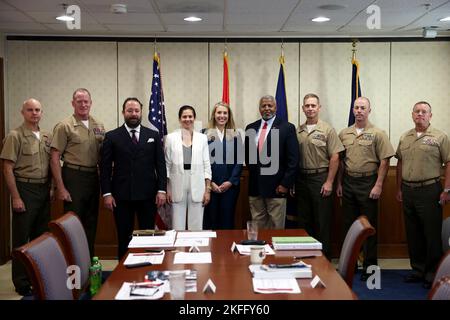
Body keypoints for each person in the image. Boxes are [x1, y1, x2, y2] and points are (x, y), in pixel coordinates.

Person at [100, 97, 167, 260]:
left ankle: (148, 266)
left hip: (148, 196)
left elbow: (161, 165)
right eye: (130, 111)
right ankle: (123, 273)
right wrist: (107, 193)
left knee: (147, 237)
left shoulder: (153, 135)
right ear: (123, 112)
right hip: (121, 197)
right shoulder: (112, 136)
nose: (133, 114)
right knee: (124, 237)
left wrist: (161, 190)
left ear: (141, 112)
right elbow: (105, 168)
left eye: (136, 110)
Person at [336, 96, 395, 281]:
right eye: (356, 107)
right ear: (353, 110)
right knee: (348, 226)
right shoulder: (344, 133)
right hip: (348, 182)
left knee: (369, 227)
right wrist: (338, 183)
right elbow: (341, 162)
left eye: (363, 108)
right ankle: (350, 264)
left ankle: (370, 266)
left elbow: (385, 160)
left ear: (369, 110)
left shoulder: (378, 133)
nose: (359, 111)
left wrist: (378, 185)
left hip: (368, 183)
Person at [395, 101, 450, 289]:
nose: (420, 114)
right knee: (413, 233)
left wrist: (447, 190)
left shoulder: (440, 137)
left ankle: (431, 273)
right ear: (412, 115)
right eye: (417, 111)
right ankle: (417, 270)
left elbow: (449, 163)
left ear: (430, 115)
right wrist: (399, 188)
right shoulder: (405, 137)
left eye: (424, 112)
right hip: (408, 190)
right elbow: (400, 163)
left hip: (430, 190)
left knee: (431, 234)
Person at [0, 99, 52, 296]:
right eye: (30, 110)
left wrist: (52, 187)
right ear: (23, 112)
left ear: (41, 112)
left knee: (41, 237)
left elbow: (52, 164)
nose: (34, 113)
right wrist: (15, 197)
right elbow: (7, 168)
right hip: (24, 189)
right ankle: (21, 282)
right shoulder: (15, 136)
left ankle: (37, 276)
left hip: (43, 190)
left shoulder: (47, 136)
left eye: (37, 109)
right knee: (22, 238)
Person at [50, 88, 105, 256]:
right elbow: (54, 156)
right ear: (72, 103)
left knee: (91, 222)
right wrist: (60, 187)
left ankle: (88, 265)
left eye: (86, 101)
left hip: (92, 177)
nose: (83, 104)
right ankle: (72, 266)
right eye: (79, 101)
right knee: (73, 224)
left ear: (91, 103)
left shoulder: (98, 125)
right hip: (73, 176)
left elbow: (104, 154)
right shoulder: (64, 126)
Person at [295, 94, 344, 259]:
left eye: (313, 105)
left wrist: (330, 182)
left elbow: (335, 156)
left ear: (319, 108)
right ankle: (306, 257)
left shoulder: (327, 130)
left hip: (320, 178)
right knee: (304, 221)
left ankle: (324, 260)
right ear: (303, 109)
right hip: (301, 179)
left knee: (322, 222)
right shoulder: (298, 131)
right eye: (307, 106)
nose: (310, 108)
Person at [245, 95, 299, 229]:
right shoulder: (250, 128)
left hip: (277, 188)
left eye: (270, 106)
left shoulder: (287, 128)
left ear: (276, 107)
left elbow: (293, 160)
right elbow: (249, 158)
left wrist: (285, 184)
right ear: (259, 108)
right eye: (264, 106)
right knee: (257, 227)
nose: (267, 108)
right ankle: (259, 251)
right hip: (256, 188)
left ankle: (275, 251)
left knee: (276, 228)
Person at [165, 105, 212, 230]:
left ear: (194, 118)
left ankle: (196, 249)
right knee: (177, 225)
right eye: (184, 116)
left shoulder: (202, 138)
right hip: (176, 184)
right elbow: (167, 165)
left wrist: (207, 190)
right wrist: (167, 188)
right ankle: (178, 249)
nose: (187, 119)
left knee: (196, 226)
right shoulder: (170, 138)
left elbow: (207, 164)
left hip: (197, 183)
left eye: (190, 116)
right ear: (180, 119)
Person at [202, 102, 244, 230]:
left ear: (229, 115)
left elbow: (239, 161)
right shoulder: (204, 134)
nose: (222, 116)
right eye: (219, 112)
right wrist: (210, 183)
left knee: (227, 221)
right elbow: (202, 160)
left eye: (225, 113)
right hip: (210, 186)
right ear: (214, 115)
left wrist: (230, 182)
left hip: (229, 188)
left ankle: (225, 249)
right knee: (211, 222)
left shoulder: (235, 135)